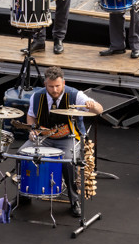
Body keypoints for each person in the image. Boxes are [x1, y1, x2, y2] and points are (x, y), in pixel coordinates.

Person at [27, 67, 103, 218]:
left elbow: (99, 110)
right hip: (45, 137)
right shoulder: (36, 96)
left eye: (58, 86)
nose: (55, 90)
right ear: (45, 84)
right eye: (51, 86)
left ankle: (74, 200)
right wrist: (32, 130)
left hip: (68, 138)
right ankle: (25, 194)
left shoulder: (76, 95)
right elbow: (31, 116)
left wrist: (92, 105)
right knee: (22, 154)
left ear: (64, 82)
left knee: (68, 161)